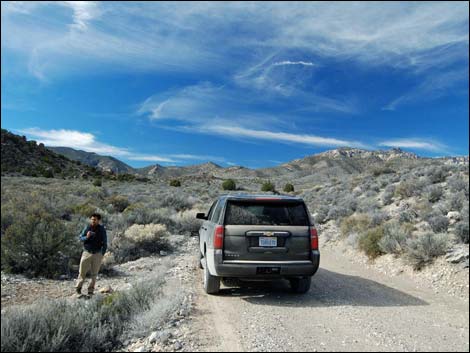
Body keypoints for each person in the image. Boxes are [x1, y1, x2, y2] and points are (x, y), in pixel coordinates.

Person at [75, 213, 107, 295]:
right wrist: (87, 237)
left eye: (95, 219)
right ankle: (78, 288)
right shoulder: (87, 227)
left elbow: (105, 242)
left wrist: (102, 254)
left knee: (94, 274)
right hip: (86, 253)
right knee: (82, 272)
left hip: (97, 254)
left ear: (98, 220)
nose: (93, 221)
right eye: (92, 219)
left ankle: (90, 291)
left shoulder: (102, 229)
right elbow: (80, 237)